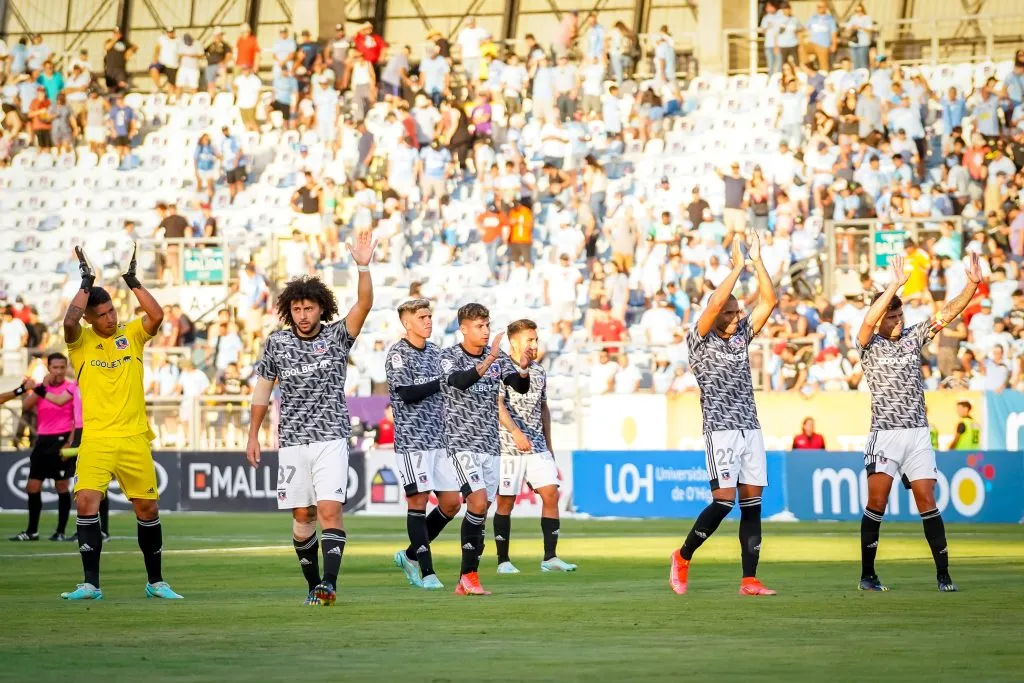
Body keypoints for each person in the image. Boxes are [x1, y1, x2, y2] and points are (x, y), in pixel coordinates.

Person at [245, 230, 376, 606]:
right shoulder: (277, 342)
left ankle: (330, 585)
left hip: (331, 437)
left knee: (329, 510)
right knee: (303, 515)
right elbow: (263, 389)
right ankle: (312, 585)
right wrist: (253, 436)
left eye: (309, 308)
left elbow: (364, 304)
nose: (303, 315)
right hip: (291, 440)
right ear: (290, 311)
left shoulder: (337, 337)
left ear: (321, 308)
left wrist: (363, 266)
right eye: (297, 309)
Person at [855, 253, 982, 593]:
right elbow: (866, 323)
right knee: (877, 503)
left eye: (899, 315)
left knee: (927, 501)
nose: (897, 321)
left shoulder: (913, 336)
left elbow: (946, 313)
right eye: (891, 316)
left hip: (917, 435)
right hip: (885, 435)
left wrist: (970, 286)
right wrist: (894, 284)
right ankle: (868, 574)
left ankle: (943, 575)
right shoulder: (870, 345)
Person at [60, 245, 182, 600]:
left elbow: (156, 316)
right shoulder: (79, 343)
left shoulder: (132, 333)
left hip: (133, 437)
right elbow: (69, 322)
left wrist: (132, 282)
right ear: (90, 319)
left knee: (147, 508)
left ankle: (156, 582)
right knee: (86, 502)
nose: (111, 318)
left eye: (112, 311)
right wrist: (86, 281)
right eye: (102, 314)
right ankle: (90, 584)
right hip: (97, 439)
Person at [671, 234, 779, 597]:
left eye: (737, 313)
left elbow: (770, 301)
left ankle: (749, 579)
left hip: (751, 427)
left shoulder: (740, 336)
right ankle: (683, 556)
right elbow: (716, 301)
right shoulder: (699, 338)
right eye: (729, 313)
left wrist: (758, 262)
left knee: (752, 505)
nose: (735, 318)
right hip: (720, 429)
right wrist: (736, 268)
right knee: (723, 500)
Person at [437, 303, 531, 595]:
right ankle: (470, 577)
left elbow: (518, 386)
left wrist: (524, 371)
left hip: (490, 446)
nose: (486, 331)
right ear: (463, 328)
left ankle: (465, 579)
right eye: (479, 326)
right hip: (460, 443)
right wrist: (490, 357)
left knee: (481, 512)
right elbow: (460, 382)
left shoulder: (499, 359)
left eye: (487, 325)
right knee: (476, 503)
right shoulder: (449, 356)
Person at [386, 299, 461, 590]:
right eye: (422, 317)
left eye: (430, 315)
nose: (428, 321)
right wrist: (440, 383)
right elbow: (405, 394)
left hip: (438, 440)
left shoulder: (436, 352)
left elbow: (451, 382)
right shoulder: (398, 354)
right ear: (407, 322)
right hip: (413, 441)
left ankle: (408, 555)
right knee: (418, 502)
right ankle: (427, 571)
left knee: (452, 503)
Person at [494, 319, 576, 574]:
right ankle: (503, 561)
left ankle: (550, 557)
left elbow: (543, 408)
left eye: (536, 339)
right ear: (515, 341)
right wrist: (516, 433)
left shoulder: (539, 370)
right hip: (508, 446)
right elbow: (497, 405)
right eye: (529, 339)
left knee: (551, 493)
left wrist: (549, 444)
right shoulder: (499, 367)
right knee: (506, 502)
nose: (534, 344)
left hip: (537, 445)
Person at [6, 355, 80, 542]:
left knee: (61, 485)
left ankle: (60, 531)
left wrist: (70, 441)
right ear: (49, 369)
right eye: (55, 367)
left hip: (62, 438)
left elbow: (75, 415)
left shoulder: (70, 388)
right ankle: (32, 531)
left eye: (62, 367)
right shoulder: (43, 389)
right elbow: (26, 406)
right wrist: (38, 388)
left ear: (66, 368)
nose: (59, 371)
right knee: (32, 485)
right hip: (43, 440)